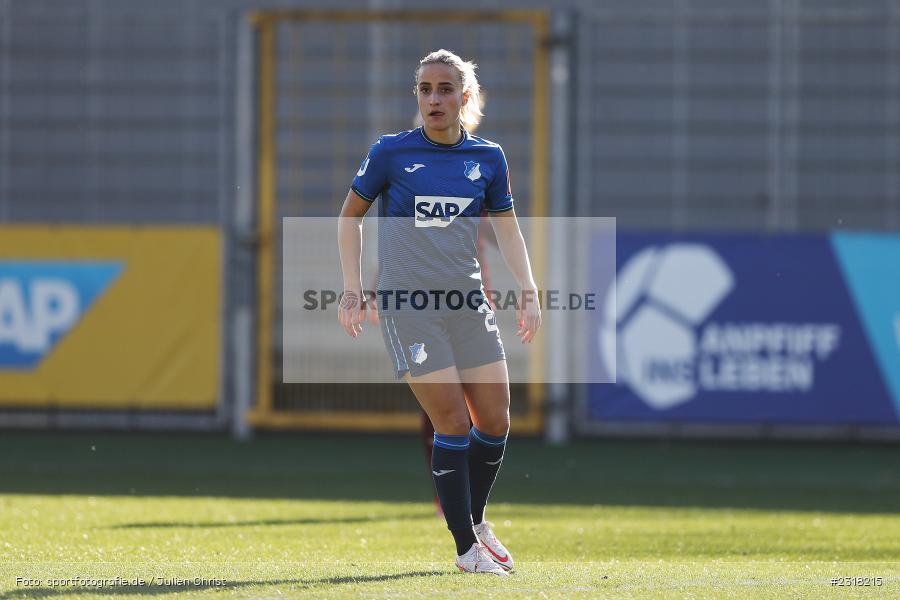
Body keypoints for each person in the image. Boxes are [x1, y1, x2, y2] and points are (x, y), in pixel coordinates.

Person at [337, 49, 541, 576]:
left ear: (464, 98)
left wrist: (530, 288)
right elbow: (349, 217)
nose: (434, 98)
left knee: (494, 421)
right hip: (411, 308)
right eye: (425, 89)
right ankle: (466, 551)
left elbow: (508, 228)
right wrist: (352, 288)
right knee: (450, 422)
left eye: (445, 89)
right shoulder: (390, 153)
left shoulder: (488, 158)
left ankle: (475, 522)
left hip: (468, 305)